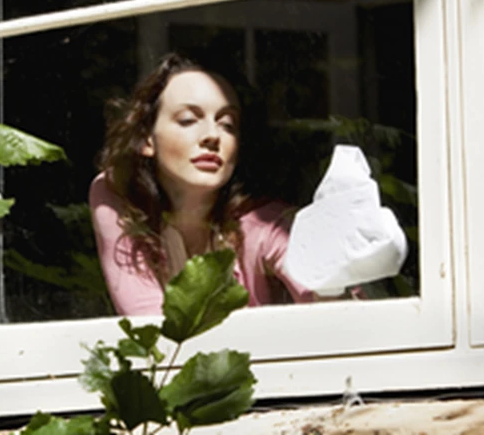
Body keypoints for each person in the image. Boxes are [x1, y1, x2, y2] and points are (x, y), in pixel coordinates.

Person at [89, 53, 319, 316]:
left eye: (227, 125)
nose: (212, 136)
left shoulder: (263, 225)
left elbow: (333, 303)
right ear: (146, 139)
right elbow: (148, 323)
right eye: (188, 120)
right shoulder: (118, 193)